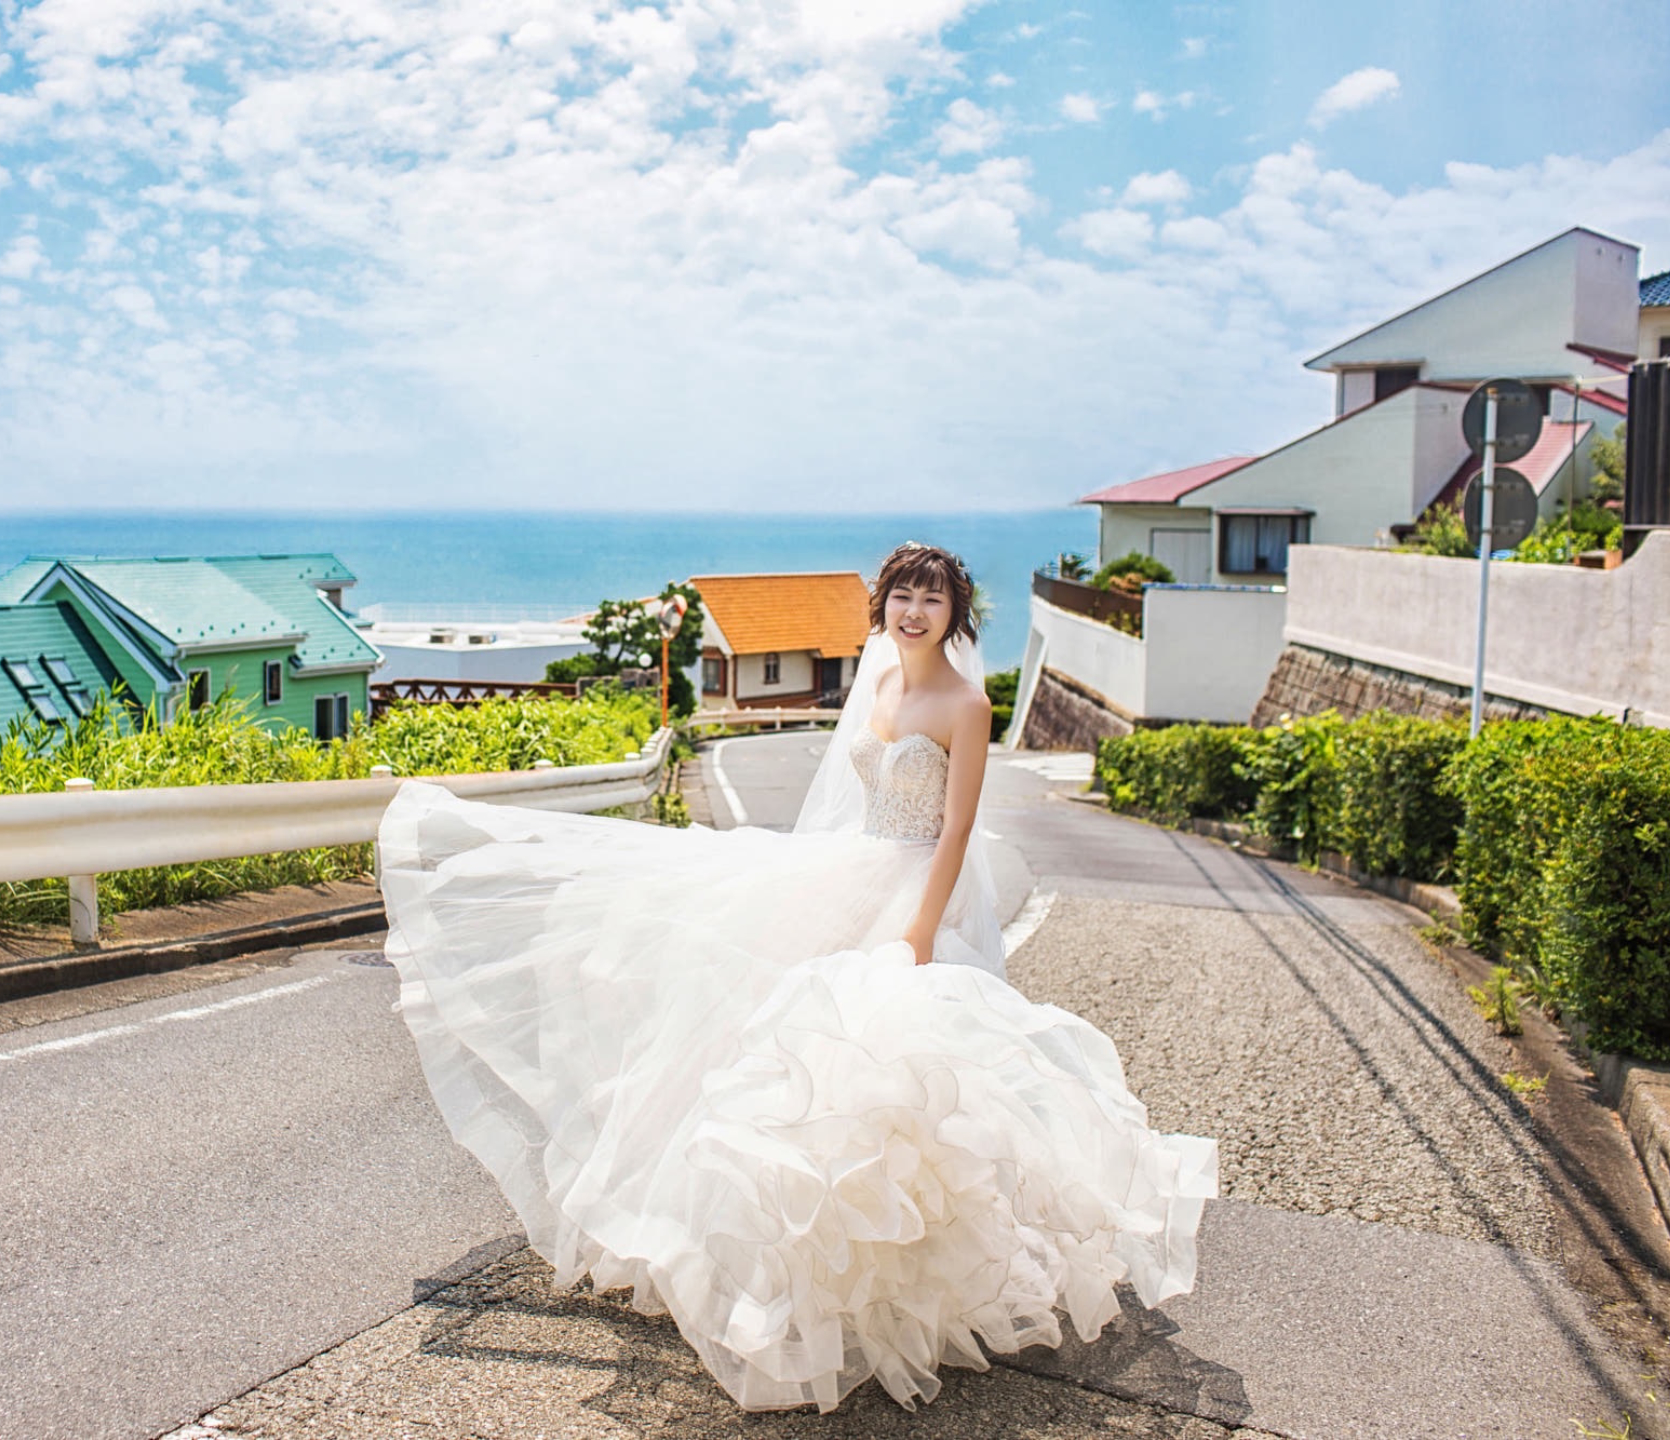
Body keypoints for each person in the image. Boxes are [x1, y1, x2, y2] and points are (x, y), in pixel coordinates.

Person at [375, 542, 1217, 1413]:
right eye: (902, 595)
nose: (914, 611)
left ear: (955, 614)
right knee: (775, 1061)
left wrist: (920, 930)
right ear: (883, 605)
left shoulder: (965, 702)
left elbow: (958, 830)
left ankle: (895, 1283)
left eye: (932, 599)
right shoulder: (878, 683)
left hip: (914, 892)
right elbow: (853, 803)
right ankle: (777, 1266)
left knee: (885, 1083)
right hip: (847, 875)